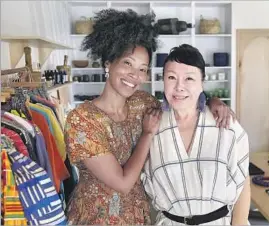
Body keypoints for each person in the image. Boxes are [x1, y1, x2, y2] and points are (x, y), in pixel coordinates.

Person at [64, 9, 235, 225]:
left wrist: (211, 101)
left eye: (142, 69)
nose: (135, 76)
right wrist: (147, 134)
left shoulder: (142, 103)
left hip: (139, 216)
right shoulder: (82, 120)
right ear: (108, 63)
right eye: (127, 63)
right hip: (97, 217)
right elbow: (123, 182)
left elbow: (181, 101)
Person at [141, 44, 251, 225]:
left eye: (189, 79)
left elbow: (243, 180)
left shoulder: (224, 124)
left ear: (202, 82)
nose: (179, 87)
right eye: (171, 77)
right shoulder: (152, 127)